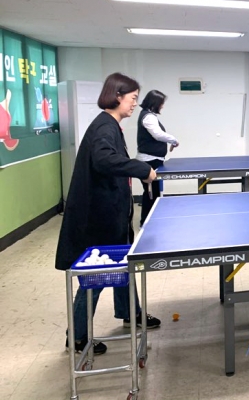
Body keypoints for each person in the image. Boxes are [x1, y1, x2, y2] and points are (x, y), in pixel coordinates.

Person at [55, 73, 161, 355]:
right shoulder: (104, 127)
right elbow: (104, 160)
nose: (135, 103)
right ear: (117, 96)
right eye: (133, 98)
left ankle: (130, 313)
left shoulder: (110, 125)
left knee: (123, 262)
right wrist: (142, 169)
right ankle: (77, 336)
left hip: (111, 213)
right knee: (97, 276)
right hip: (98, 218)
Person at [137, 90, 179, 226]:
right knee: (151, 193)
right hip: (149, 161)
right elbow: (157, 134)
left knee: (153, 192)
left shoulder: (148, 115)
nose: (162, 106)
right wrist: (173, 140)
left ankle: (150, 221)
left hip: (152, 159)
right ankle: (146, 222)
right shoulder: (148, 117)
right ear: (155, 103)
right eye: (161, 103)